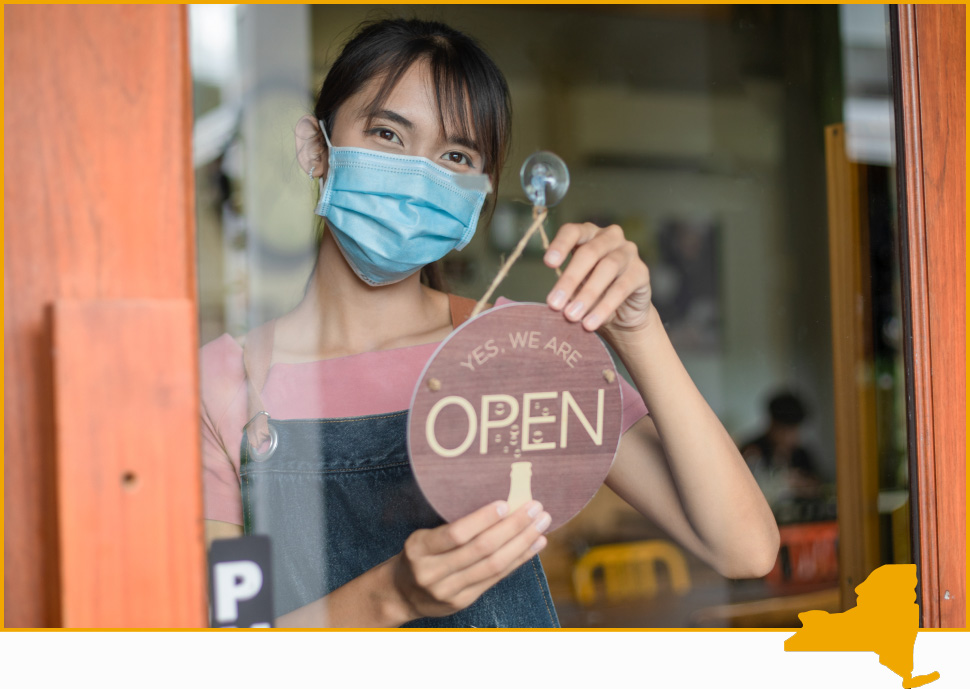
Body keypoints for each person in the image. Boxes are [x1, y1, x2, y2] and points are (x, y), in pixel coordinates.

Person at [201, 17, 779, 628]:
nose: (419, 174)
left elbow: (743, 548)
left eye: (454, 155)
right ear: (316, 148)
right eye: (388, 134)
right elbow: (238, 643)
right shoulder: (228, 381)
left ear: (477, 195)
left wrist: (639, 330)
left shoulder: (519, 354)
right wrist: (391, 596)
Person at [740, 391, 822, 511]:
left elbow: (817, 485)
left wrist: (806, 487)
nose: (792, 437)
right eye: (787, 431)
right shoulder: (752, 451)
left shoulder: (801, 454)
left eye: (795, 430)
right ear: (773, 424)